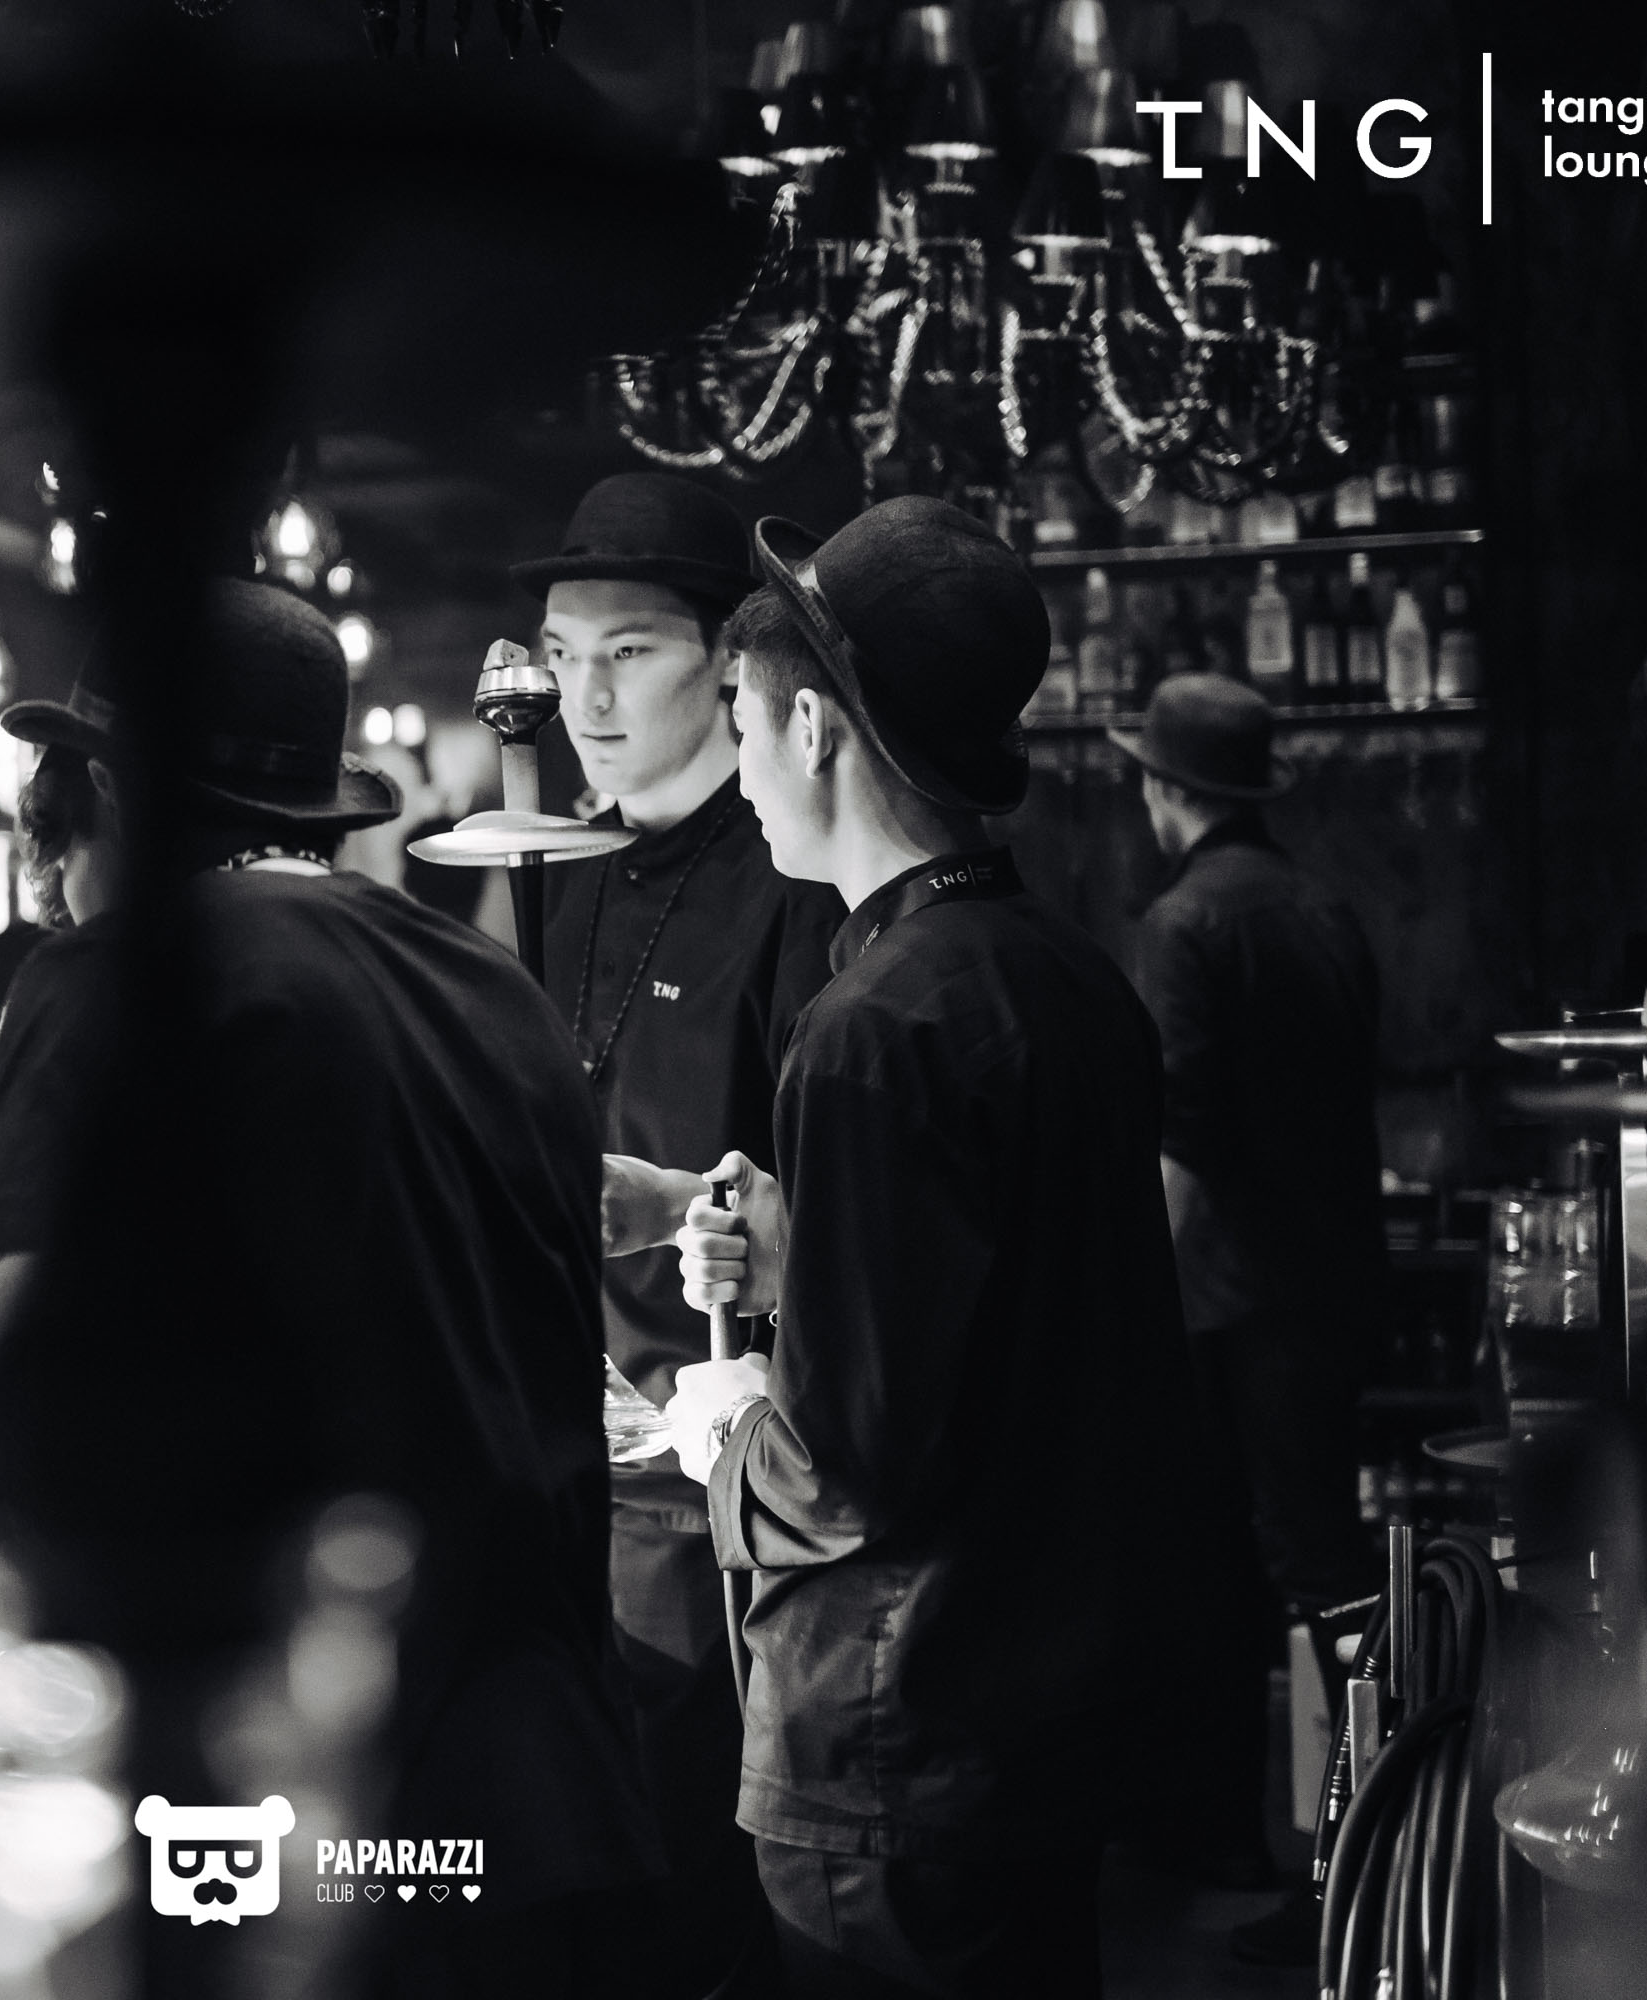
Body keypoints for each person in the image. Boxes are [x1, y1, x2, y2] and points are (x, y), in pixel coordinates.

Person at [0, 582, 657, 1996]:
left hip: (317, 1836)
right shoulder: (489, 988)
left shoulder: (130, 978)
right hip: (548, 1818)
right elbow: (355, 1349)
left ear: (104, 786)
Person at [661, 498, 1203, 1998]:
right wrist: (800, 1264)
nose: (738, 772)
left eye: (740, 724)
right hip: (1047, 1719)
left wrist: (725, 1430)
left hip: (894, 1739)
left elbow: (844, 1472)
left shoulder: (871, 1026)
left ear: (815, 729)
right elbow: (1023, 1348)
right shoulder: (1067, 978)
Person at [509, 470, 845, 1997]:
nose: (585, 695)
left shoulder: (793, 877)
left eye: (627, 652)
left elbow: (836, 1200)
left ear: (724, 664)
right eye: (561, 655)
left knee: (689, 1881)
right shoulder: (547, 871)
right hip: (555, 1447)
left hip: (719, 1462)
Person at [1112, 674, 1387, 1931]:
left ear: (1165, 789)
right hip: (1332, 1288)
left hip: (1233, 1303)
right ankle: (1322, 1841)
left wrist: (1125, 1296)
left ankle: (1326, 1863)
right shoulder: (1324, 905)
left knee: (1272, 1576)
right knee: (1309, 1573)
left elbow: (1184, 1143)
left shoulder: (1184, 920)